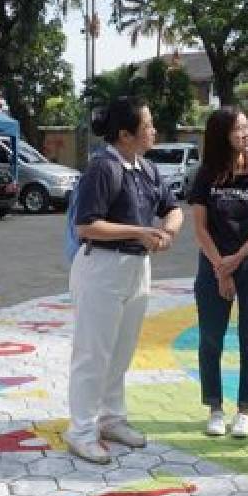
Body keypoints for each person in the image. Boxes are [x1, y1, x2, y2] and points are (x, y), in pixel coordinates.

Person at [67, 97, 183, 464]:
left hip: (136, 268)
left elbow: (174, 208)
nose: (153, 130)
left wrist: (167, 231)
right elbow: (86, 225)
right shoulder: (103, 168)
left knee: (121, 350)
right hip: (102, 268)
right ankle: (82, 429)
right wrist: (140, 231)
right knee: (93, 352)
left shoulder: (145, 168)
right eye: (147, 125)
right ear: (125, 134)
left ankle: (111, 418)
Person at [190, 107, 248, 438]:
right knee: (211, 340)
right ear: (221, 135)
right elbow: (199, 227)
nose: (247, 133)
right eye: (238, 128)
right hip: (213, 265)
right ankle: (214, 407)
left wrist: (236, 259)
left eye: (247, 126)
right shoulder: (206, 174)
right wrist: (220, 268)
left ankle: (244, 410)